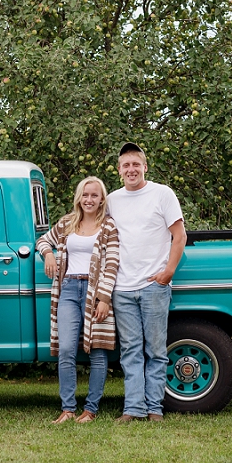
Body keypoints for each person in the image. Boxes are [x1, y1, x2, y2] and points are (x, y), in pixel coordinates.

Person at [108, 142, 186, 422]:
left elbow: (180, 235)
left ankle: (154, 409)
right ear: (119, 170)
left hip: (154, 285)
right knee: (129, 351)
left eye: (135, 164)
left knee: (155, 350)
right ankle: (133, 409)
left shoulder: (162, 194)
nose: (131, 169)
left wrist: (168, 272)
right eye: (126, 165)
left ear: (145, 167)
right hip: (122, 288)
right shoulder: (112, 200)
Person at [36, 176, 120, 424]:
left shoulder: (108, 227)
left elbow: (112, 264)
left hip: (96, 292)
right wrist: (48, 254)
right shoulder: (66, 224)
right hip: (69, 289)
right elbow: (42, 240)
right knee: (66, 349)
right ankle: (68, 408)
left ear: (101, 199)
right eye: (85, 195)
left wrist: (104, 298)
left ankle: (91, 409)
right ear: (79, 198)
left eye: (94, 195)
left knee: (98, 350)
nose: (89, 199)